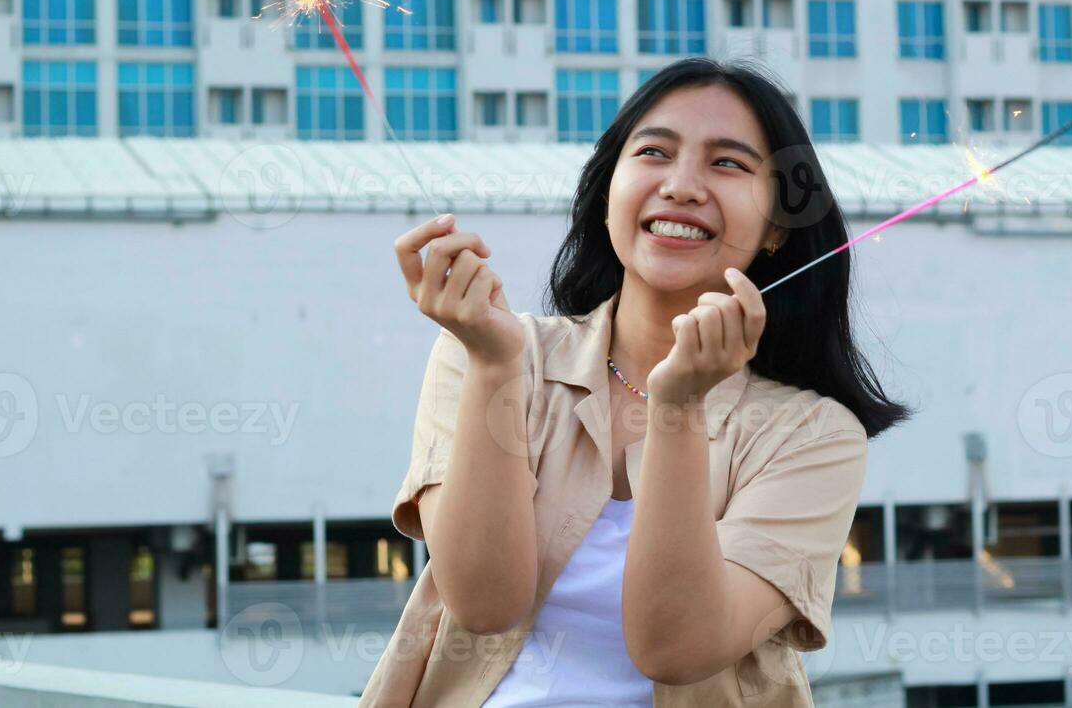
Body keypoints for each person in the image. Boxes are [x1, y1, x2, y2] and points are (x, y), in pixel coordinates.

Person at [360, 57, 912, 707]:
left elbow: (674, 650)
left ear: (776, 228)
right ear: (606, 191)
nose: (681, 186)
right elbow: (483, 604)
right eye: (654, 152)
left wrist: (679, 408)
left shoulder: (814, 433)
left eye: (727, 163)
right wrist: (494, 368)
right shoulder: (486, 353)